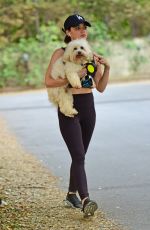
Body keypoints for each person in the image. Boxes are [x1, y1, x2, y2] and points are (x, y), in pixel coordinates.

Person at [45, 14, 110, 217]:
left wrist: (106, 67)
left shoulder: (91, 54)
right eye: (77, 27)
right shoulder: (61, 52)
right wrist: (72, 77)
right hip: (68, 106)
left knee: (79, 155)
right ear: (67, 32)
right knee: (79, 155)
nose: (83, 31)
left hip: (88, 107)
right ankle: (85, 200)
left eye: (84, 27)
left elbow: (100, 87)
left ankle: (71, 194)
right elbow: (48, 81)